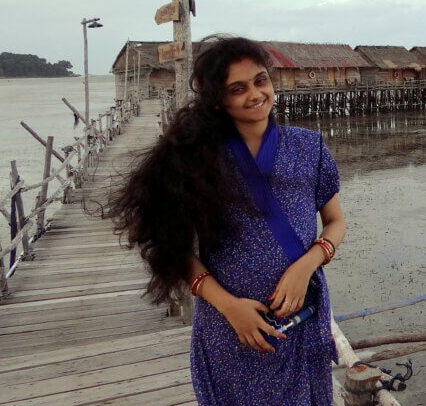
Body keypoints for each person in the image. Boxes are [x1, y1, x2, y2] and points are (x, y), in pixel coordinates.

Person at [108, 35, 346, 406]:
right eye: (238, 88)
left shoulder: (310, 147)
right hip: (230, 325)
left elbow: (335, 222)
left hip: (303, 314)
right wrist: (229, 307)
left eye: (260, 80)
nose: (255, 94)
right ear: (218, 99)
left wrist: (306, 266)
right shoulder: (194, 159)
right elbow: (172, 247)